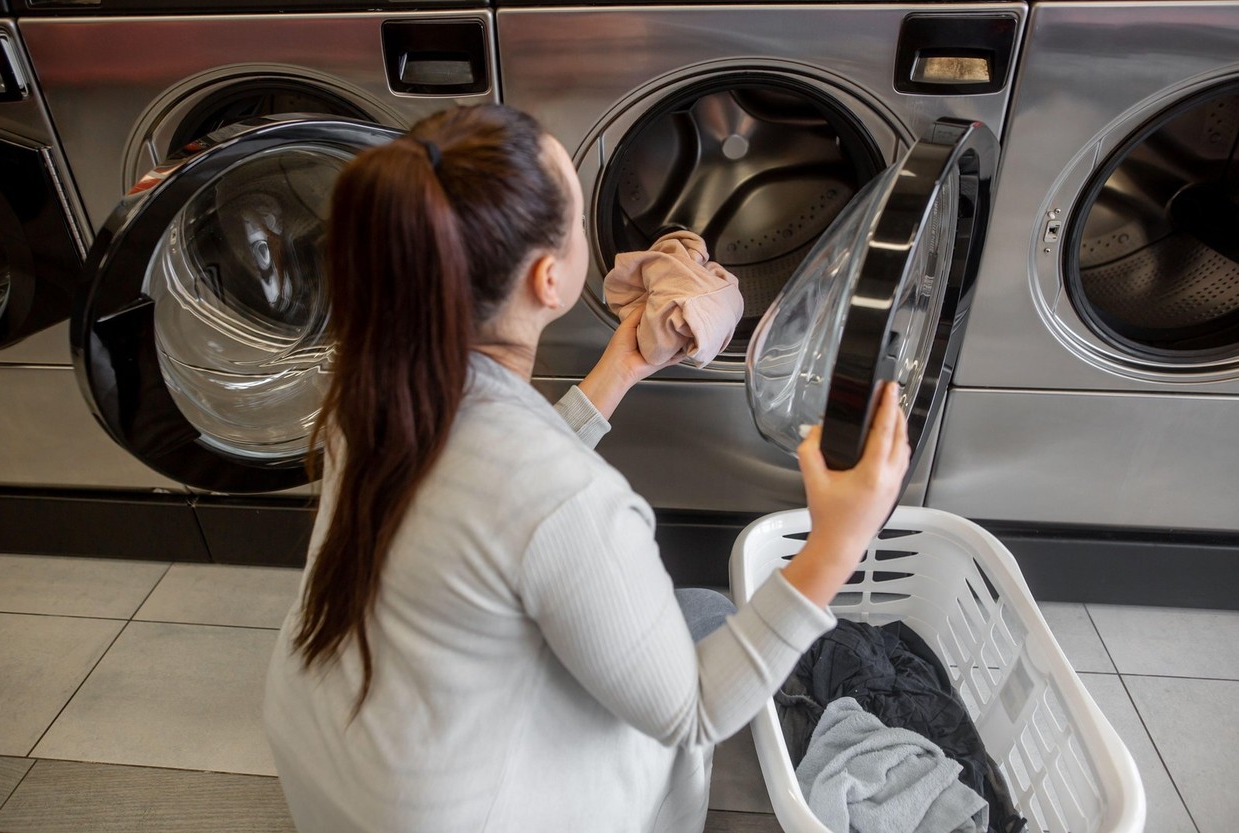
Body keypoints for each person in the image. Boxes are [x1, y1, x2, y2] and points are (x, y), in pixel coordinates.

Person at [263, 103, 910, 833]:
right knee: (710, 629)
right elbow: (693, 707)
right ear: (549, 278)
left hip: (338, 765)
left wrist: (622, 367)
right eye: (577, 224)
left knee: (700, 614)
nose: (585, 237)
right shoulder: (572, 502)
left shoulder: (374, 388)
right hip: (454, 814)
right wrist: (836, 542)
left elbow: (493, 499)